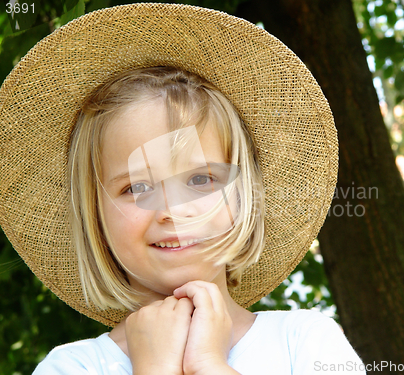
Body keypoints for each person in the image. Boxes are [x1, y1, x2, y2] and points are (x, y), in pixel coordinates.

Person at [0, 4, 365, 375]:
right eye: (137, 187)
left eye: (199, 179)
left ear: (243, 196)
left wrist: (208, 364)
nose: (173, 209)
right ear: (95, 216)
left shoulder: (305, 340)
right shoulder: (71, 367)